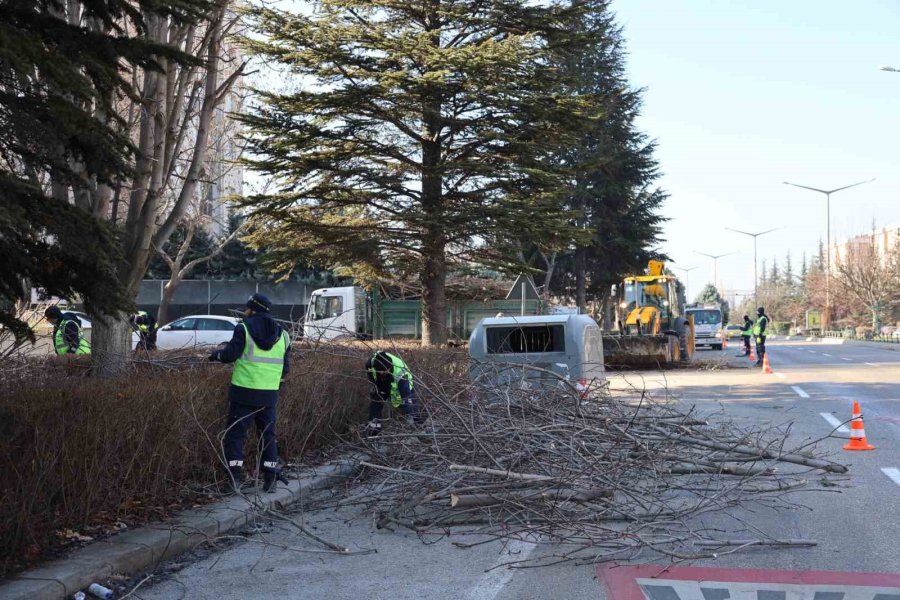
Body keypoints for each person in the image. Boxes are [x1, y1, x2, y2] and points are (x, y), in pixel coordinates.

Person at [209, 294, 290, 493]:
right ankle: (270, 478)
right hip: (269, 394)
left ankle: (235, 478)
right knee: (267, 435)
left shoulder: (243, 328)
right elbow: (285, 369)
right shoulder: (284, 334)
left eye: (247, 308)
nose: (245, 311)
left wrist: (215, 355)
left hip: (244, 392)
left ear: (252, 309)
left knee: (236, 436)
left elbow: (229, 356)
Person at [364, 350, 421, 436]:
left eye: (387, 370)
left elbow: (406, 397)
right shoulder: (371, 364)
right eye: (384, 371)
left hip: (402, 382)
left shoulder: (401, 373)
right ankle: (374, 430)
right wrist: (376, 387)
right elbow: (371, 375)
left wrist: (409, 417)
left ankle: (418, 426)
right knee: (375, 403)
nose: (386, 372)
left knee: (410, 402)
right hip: (382, 383)